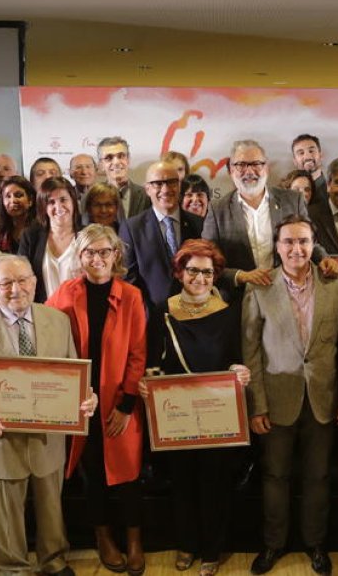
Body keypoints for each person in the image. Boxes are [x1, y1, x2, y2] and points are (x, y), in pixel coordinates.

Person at [0, 254, 97, 576]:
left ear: (35, 282)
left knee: (52, 513)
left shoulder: (58, 320)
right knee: (6, 522)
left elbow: (72, 378)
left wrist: (87, 399)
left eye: (23, 280)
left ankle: (53, 563)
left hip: (47, 441)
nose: (16, 289)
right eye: (6, 283)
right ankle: (13, 570)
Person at [243, 215, 338, 575]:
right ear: (277, 246)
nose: (296, 249)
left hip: (324, 398)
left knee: (318, 476)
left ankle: (316, 544)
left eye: (303, 241)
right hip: (276, 400)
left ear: (314, 244)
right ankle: (273, 544)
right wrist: (256, 404)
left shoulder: (335, 285)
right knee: (275, 476)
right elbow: (251, 352)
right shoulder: (259, 287)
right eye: (288, 242)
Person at [138, 239, 250, 576]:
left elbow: (236, 357)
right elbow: (153, 360)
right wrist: (147, 381)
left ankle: (212, 550)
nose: (200, 278)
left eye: (207, 272)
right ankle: (187, 544)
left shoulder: (229, 313)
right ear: (179, 272)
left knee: (214, 484)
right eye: (192, 271)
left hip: (218, 413)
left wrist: (239, 371)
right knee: (182, 482)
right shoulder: (162, 311)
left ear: (216, 275)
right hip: (177, 416)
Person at [48, 224, 148, 575]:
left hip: (121, 401)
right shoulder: (64, 293)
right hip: (80, 404)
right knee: (94, 475)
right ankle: (104, 537)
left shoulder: (131, 295)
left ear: (116, 255)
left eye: (104, 252)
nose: (98, 259)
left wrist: (124, 405)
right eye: (90, 252)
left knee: (130, 475)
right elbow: (41, 330)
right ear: (80, 257)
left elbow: (138, 354)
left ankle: (135, 541)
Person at [202, 139, 337, 290]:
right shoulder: (217, 210)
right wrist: (240, 276)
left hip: (287, 293)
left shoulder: (292, 201)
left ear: (266, 168)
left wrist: (324, 259)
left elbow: (309, 242)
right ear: (231, 171)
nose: (249, 171)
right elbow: (207, 262)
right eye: (241, 165)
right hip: (238, 297)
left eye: (256, 164)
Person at [120, 161, 204, 324]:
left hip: (196, 320)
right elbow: (128, 281)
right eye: (158, 183)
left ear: (179, 186)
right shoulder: (132, 228)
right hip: (151, 323)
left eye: (171, 182)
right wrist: (146, 314)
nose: (165, 189)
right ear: (148, 189)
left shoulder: (200, 224)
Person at [17, 177, 81, 303]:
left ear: (73, 202)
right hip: (44, 316)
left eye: (63, 200)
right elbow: (19, 276)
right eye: (51, 202)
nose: (58, 206)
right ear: (43, 207)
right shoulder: (31, 237)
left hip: (82, 314)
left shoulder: (88, 235)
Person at [97, 137, 150, 219]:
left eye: (121, 156)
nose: (116, 162)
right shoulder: (93, 197)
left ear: (128, 159)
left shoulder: (147, 195)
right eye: (109, 158)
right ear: (101, 164)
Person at [0, 176, 37, 253]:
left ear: (30, 200)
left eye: (18, 195)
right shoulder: (0, 232)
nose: (13, 200)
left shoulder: (40, 229)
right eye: (8, 196)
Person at [291, 133, 327, 200]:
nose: (307, 157)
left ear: (321, 155)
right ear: (295, 161)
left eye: (311, 151)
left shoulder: (331, 190)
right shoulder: (287, 193)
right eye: (301, 153)